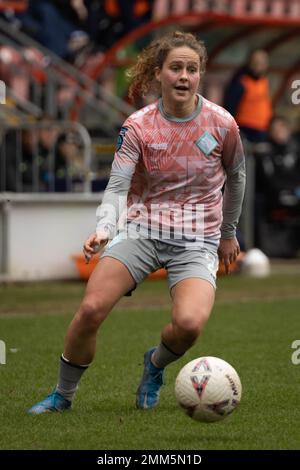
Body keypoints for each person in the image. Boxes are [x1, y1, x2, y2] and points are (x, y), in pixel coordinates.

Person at [28, 31, 246, 414]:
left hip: (198, 238)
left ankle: (155, 364)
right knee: (92, 309)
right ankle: (62, 397)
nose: (183, 76)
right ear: (159, 73)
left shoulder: (223, 123)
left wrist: (228, 234)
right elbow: (117, 186)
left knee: (190, 324)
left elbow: (238, 177)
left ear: (200, 76)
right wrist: (105, 228)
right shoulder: (139, 127)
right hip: (143, 230)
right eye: (175, 67)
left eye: (191, 69)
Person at [223, 49, 272, 143]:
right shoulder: (240, 82)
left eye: (263, 62)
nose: (259, 65)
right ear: (249, 63)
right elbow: (230, 109)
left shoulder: (264, 80)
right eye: (256, 62)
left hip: (262, 130)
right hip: (245, 131)